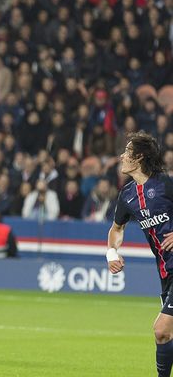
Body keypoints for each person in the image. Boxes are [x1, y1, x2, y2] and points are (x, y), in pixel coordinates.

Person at [107, 132, 173, 377]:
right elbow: (116, 229)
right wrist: (112, 253)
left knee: (161, 329)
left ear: (139, 157)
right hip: (166, 273)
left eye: (127, 151)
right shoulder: (127, 195)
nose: (122, 156)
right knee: (167, 334)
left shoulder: (166, 185)